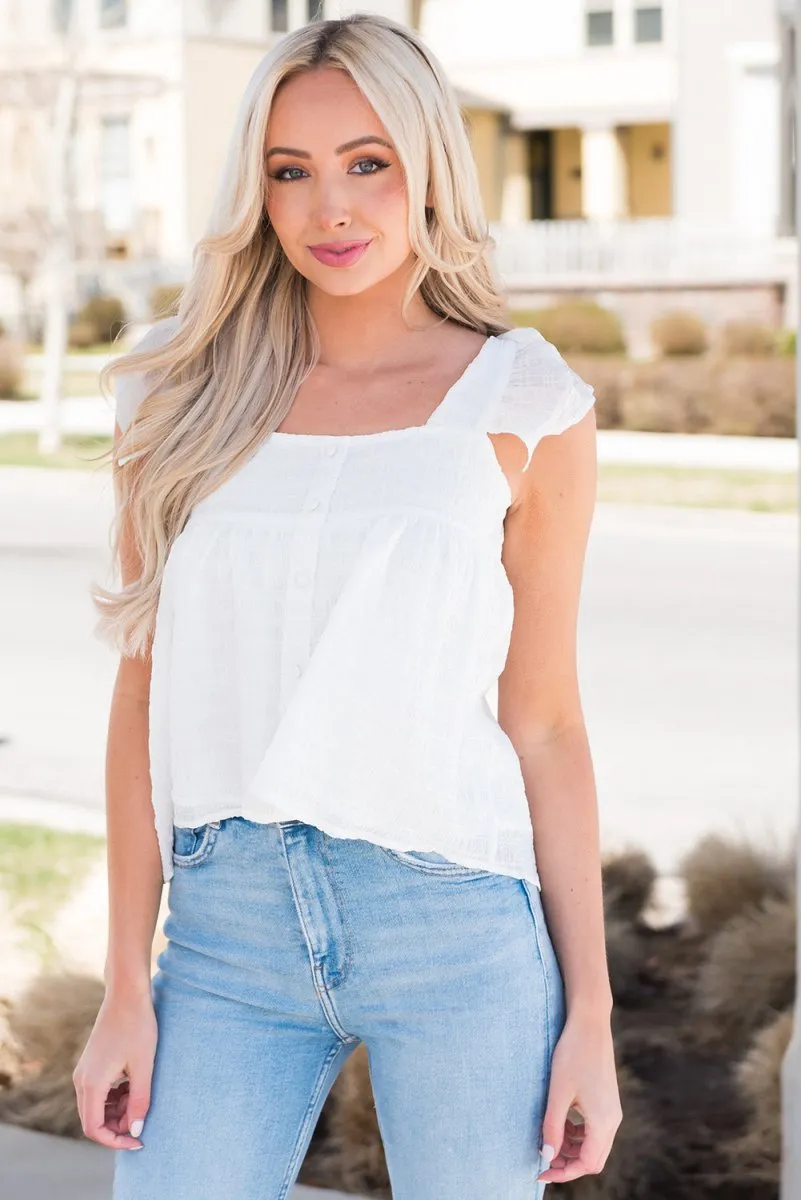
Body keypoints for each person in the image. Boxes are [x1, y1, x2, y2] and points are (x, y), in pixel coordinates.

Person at [74, 13, 621, 1199]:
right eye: (292, 172)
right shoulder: (177, 394)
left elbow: (547, 723)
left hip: (457, 932)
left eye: (368, 163)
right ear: (257, 193)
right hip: (226, 936)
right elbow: (141, 693)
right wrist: (126, 985)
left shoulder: (526, 402)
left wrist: (592, 1019)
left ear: (428, 168)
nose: (332, 208)